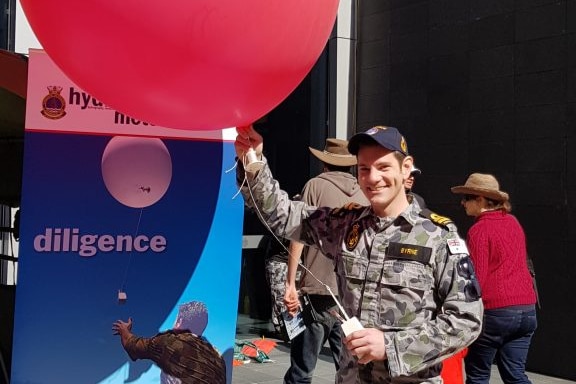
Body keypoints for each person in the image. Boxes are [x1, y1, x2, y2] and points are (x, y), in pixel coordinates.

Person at [234, 124, 483, 384]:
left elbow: (467, 319)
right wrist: (254, 161)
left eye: (384, 167)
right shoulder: (345, 225)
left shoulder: (439, 236)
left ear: (406, 167)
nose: (373, 178)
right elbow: (282, 215)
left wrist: (392, 346)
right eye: (364, 168)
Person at [283, 138, 369, 384]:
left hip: (318, 290)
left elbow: (297, 234)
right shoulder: (364, 190)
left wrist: (291, 284)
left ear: (324, 164)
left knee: (302, 370)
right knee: (349, 371)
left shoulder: (314, 186)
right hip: (351, 295)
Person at [451, 173, 537, 384]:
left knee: (478, 375)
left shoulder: (479, 230)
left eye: (467, 198)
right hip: (527, 310)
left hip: (496, 313)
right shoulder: (513, 222)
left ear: (480, 199)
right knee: (516, 375)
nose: (463, 203)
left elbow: (476, 278)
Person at [112, 302, 226, 384]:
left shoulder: (170, 342)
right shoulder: (218, 355)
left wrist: (124, 330)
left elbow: (132, 345)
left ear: (179, 321)